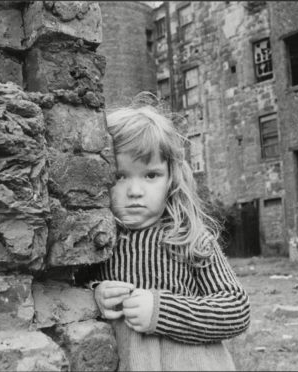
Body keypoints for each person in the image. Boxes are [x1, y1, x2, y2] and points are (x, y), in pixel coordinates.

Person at [90, 93, 250, 371]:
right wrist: (96, 295)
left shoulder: (191, 238)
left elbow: (236, 309)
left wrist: (163, 311)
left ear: (171, 179)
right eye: (119, 176)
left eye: (151, 175)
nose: (135, 191)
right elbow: (62, 298)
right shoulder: (96, 242)